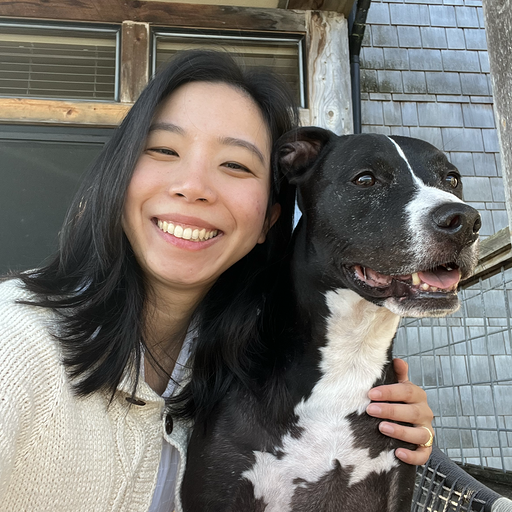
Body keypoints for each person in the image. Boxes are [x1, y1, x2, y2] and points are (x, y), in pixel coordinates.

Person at [0, 50, 434, 512]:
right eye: (164, 150)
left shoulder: (239, 356)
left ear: (269, 217)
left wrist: (394, 431)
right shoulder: (16, 342)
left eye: (236, 165)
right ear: (116, 176)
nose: (194, 185)